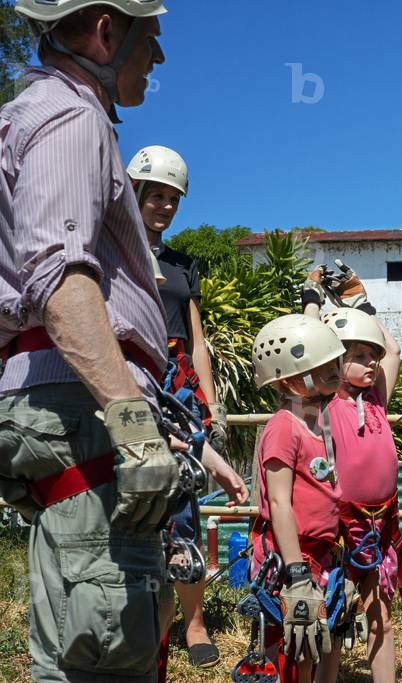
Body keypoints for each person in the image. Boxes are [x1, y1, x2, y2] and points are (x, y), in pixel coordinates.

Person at [0, 1, 180, 681]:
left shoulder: (25, 118)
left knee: (88, 635)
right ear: (108, 31)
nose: (156, 59)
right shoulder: (71, 118)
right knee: (106, 651)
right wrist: (132, 422)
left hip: (61, 401)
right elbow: (58, 274)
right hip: (86, 410)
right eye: (150, 37)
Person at [125, 143, 233, 669]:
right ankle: (136, 621)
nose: (166, 206)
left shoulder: (183, 266)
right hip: (129, 377)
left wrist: (206, 407)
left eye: (174, 199)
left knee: (185, 508)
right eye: (157, 196)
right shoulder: (113, 250)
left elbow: (196, 340)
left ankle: (193, 625)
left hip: (178, 387)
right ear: (135, 192)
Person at [318, 304, 402, 682]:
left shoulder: (377, 400)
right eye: (358, 356)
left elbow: (392, 349)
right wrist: (318, 308)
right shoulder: (323, 406)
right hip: (341, 527)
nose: (371, 363)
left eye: (370, 356)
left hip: (380, 527)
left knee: (380, 615)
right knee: (334, 613)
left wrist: (361, 306)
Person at [249, 314, 346, 683]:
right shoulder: (284, 426)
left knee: (311, 646)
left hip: (319, 553)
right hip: (290, 556)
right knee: (294, 646)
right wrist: (295, 571)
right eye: (320, 366)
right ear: (290, 379)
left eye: (332, 362)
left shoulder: (317, 421)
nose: (333, 370)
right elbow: (278, 502)